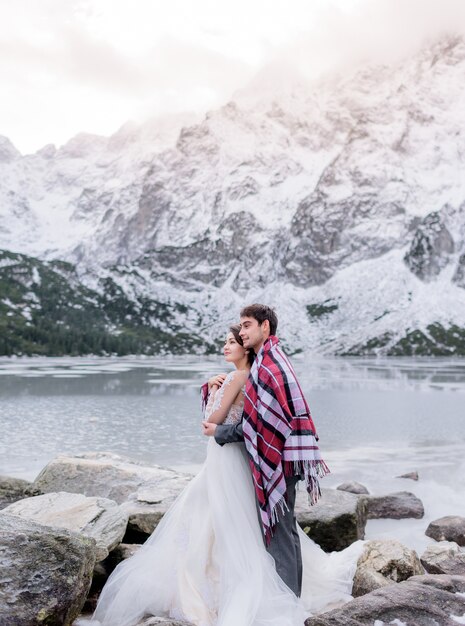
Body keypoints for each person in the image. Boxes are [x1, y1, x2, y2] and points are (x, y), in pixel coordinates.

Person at [90, 323, 363, 626]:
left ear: (245, 348)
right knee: (233, 519)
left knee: (214, 516)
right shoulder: (254, 377)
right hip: (236, 456)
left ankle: (213, 586)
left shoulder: (236, 378)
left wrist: (212, 387)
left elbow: (209, 422)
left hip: (226, 459)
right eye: (226, 341)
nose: (226, 346)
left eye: (232, 342)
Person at [202, 304, 330, 598]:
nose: (242, 332)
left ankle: (287, 604)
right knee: (285, 529)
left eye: (247, 326)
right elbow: (258, 421)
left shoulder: (269, 366)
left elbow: (260, 427)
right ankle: (291, 597)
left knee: (278, 530)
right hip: (291, 456)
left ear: (265, 328)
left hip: (283, 459)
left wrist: (220, 433)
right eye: (241, 327)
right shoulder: (268, 360)